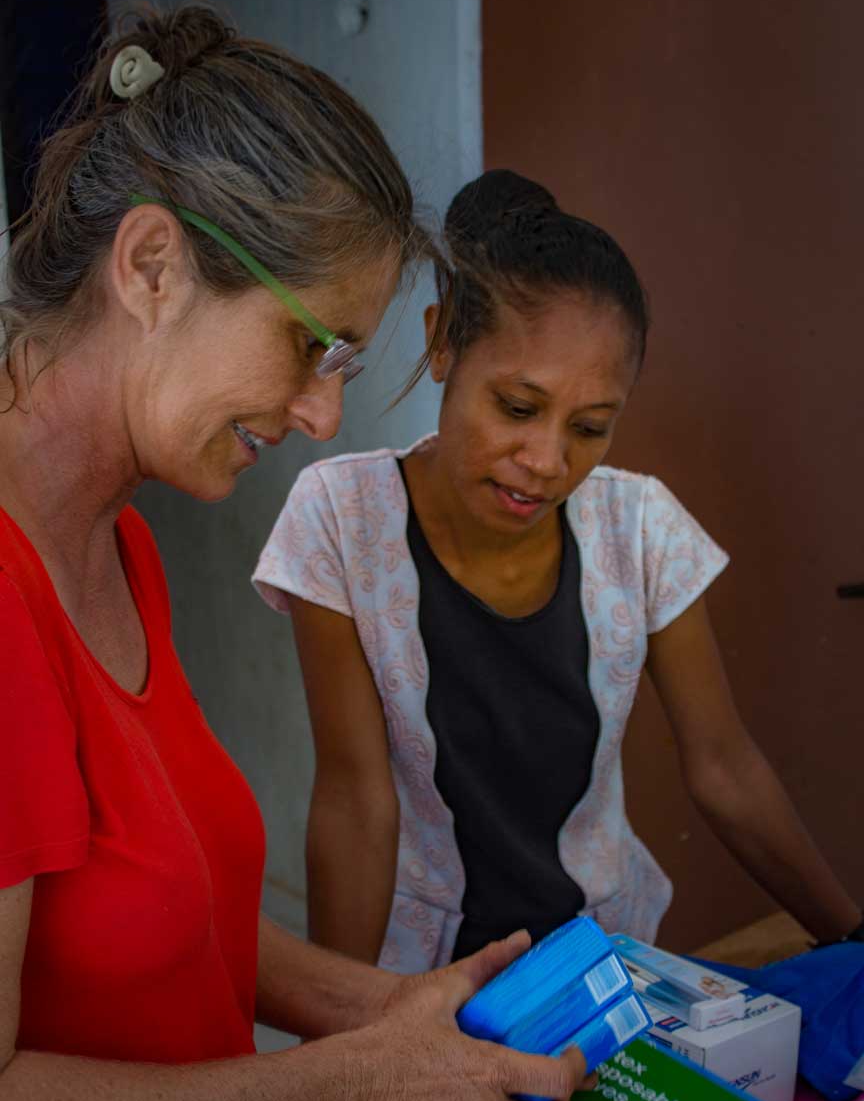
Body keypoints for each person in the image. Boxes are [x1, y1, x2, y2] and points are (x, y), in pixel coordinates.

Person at [0, 16, 587, 1101]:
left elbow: (158, 919)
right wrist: (349, 1084)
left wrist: (390, 1014)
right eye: (305, 345)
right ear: (153, 266)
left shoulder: (115, 541)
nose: (322, 413)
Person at [253, 169, 863, 974]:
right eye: (516, 408)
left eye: (590, 427)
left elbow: (723, 766)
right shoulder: (340, 519)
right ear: (442, 344)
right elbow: (356, 801)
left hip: (606, 969)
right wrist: (343, 1041)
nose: (546, 461)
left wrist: (850, 939)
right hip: (417, 979)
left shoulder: (639, 527)